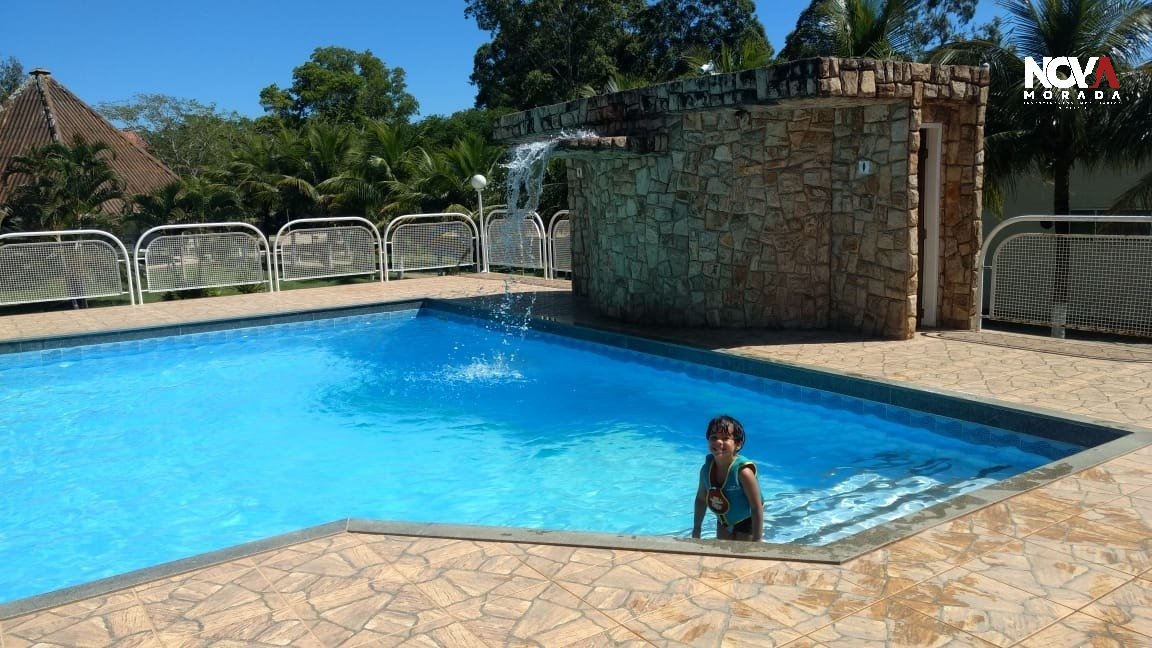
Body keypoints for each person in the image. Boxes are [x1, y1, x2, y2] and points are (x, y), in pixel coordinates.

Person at [692, 415, 763, 541]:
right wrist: (697, 528)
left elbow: (756, 507)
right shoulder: (705, 470)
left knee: (743, 552)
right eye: (714, 437)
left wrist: (757, 540)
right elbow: (701, 499)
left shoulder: (743, 472)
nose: (719, 442)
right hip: (723, 521)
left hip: (746, 520)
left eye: (725, 438)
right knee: (723, 550)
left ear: (738, 445)